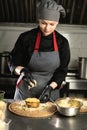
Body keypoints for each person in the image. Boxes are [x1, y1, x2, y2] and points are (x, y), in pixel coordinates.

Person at [9, 0, 70, 102]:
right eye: (43, 23)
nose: (47, 28)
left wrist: (50, 88)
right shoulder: (26, 38)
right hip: (25, 91)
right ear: (38, 20)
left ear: (57, 23)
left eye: (52, 24)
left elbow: (62, 71)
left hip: (50, 91)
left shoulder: (62, 42)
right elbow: (14, 63)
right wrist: (23, 71)